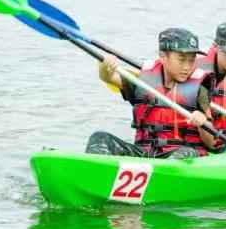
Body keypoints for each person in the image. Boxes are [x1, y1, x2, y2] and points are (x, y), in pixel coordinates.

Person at [86, 28, 215, 159]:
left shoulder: (199, 89)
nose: (187, 67)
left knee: (184, 154)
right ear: (163, 56)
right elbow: (108, 77)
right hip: (144, 152)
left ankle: (163, 176)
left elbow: (210, 142)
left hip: (181, 151)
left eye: (191, 60)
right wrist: (104, 66)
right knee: (100, 138)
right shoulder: (144, 80)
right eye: (181, 59)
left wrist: (202, 123)